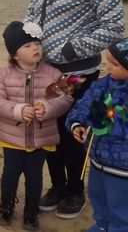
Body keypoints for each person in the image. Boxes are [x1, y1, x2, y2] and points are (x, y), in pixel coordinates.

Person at [25, 0, 125, 219]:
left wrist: (70, 49)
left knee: (71, 134)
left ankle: (74, 189)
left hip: (76, 73)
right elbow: (32, 13)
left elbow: (113, 28)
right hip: (42, 70)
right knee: (47, 132)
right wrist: (23, 42)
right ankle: (55, 185)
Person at [0, 21, 73, 230]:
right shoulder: (3, 75)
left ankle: (31, 210)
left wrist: (48, 110)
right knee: (10, 174)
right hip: (12, 138)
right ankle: (6, 206)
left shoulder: (53, 74)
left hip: (41, 139)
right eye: (27, 45)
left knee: (35, 177)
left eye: (36, 43)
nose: (34, 48)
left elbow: (65, 98)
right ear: (15, 54)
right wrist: (18, 110)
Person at [67, 38, 128, 232]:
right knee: (98, 197)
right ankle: (101, 225)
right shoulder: (102, 84)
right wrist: (77, 123)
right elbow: (84, 105)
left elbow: (118, 123)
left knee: (119, 207)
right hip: (96, 159)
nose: (108, 66)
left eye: (115, 64)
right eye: (108, 61)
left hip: (121, 168)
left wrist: (108, 119)